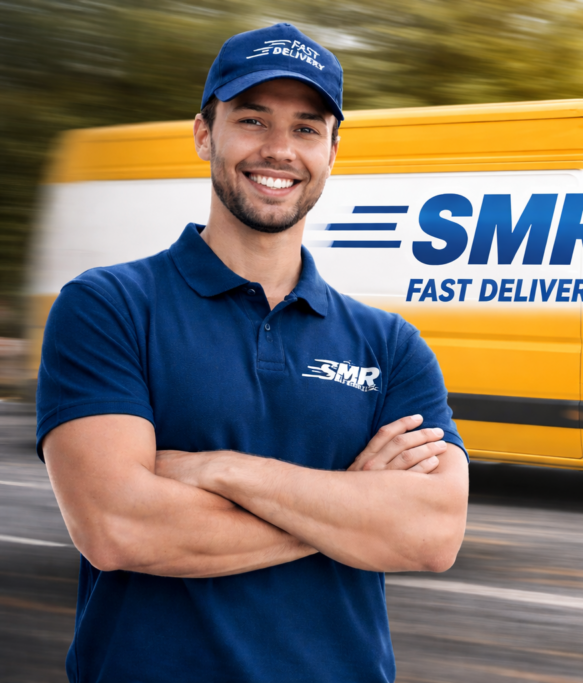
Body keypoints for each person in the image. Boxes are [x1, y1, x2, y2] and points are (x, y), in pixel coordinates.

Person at [36, 23, 468, 683]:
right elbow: (117, 525)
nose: (278, 150)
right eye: (252, 119)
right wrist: (353, 509)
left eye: (305, 128)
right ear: (205, 132)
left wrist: (222, 471)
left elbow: (432, 534)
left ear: (332, 149)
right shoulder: (108, 306)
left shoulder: (391, 344)